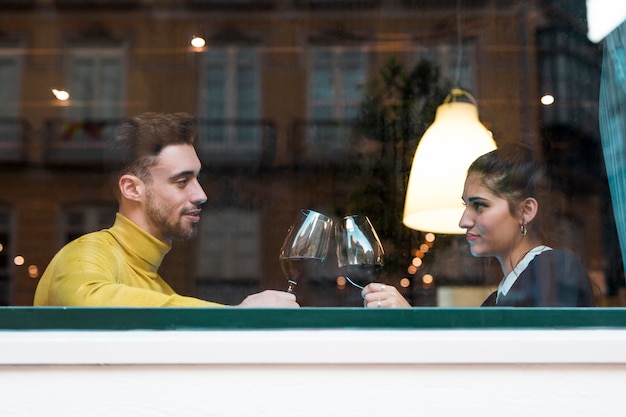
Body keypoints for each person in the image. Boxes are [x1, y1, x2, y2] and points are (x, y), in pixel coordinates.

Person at [34, 112, 298, 308]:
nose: (201, 194)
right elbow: (85, 300)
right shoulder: (88, 251)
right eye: (182, 181)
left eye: (197, 179)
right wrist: (235, 315)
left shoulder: (156, 287)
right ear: (132, 189)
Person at [362, 143, 595, 308]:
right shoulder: (497, 299)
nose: (463, 221)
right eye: (465, 205)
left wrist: (410, 321)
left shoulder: (555, 269)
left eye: (480, 206)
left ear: (526, 210)